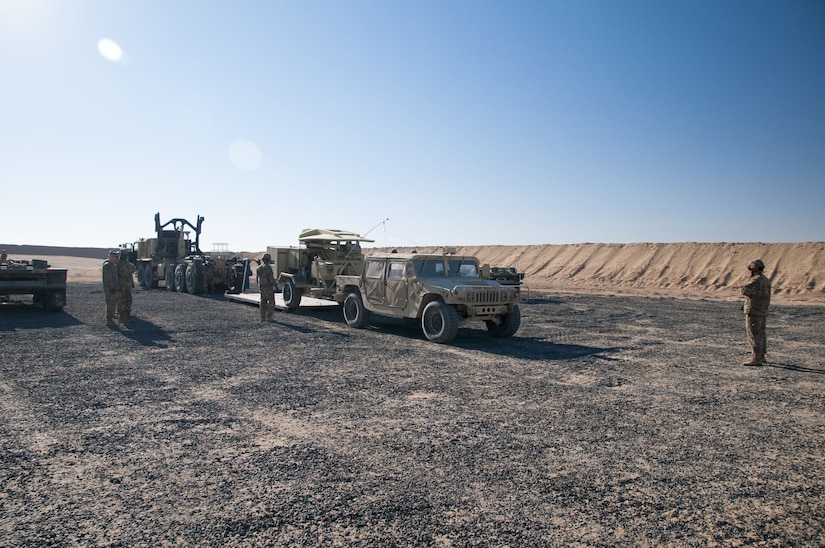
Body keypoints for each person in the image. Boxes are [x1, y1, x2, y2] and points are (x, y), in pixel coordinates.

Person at [740, 259, 771, 366]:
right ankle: (761, 355)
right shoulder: (765, 279)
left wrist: (745, 284)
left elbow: (745, 290)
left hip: (754, 311)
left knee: (754, 334)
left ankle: (756, 357)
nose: (749, 271)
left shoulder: (757, 280)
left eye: (751, 269)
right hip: (761, 310)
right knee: (761, 334)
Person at [102, 250, 121, 325]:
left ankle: (111, 316)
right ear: (111, 257)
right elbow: (108, 278)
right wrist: (112, 287)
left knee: (113, 303)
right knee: (110, 303)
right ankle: (109, 319)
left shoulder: (112, 265)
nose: (117, 259)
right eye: (116, 257)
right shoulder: (107, 266)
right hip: (109, 288)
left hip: (113, 288)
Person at [256, 253, 276, 321]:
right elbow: (271, 278)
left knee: (263, 302)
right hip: (268, 287)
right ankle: (269, 317)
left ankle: (262, 317)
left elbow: (257, 278)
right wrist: (276, 286)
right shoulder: (268, 268)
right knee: (271, 302)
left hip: (261, 286)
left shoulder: (259, 268)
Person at [117, 252, 136, 323]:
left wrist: (132, 283)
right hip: (121, 285)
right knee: (121, 301)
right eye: (123, 255)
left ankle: (127, 316)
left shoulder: (127, 263)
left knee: (128, 300)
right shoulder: (117, 263)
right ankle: (121, 317)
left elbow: (132, 270)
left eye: (126, 255)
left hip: (128, 285)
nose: (125, 256)